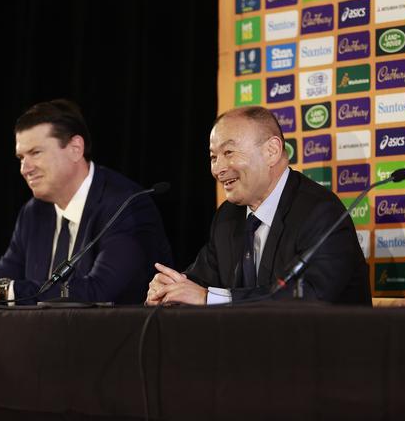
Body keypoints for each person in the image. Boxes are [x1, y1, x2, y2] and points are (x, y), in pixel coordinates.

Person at [0, 99, 172, 305]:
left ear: (75, 149)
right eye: (21, 158)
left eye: (35, 153)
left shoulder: (124, 205)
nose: (25, 169)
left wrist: (1, 292)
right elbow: (2, 276)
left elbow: (99, 292)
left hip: (118, 345)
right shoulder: (33, 213)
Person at [146, 106, 371, 306]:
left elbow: (310, 297)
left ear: (271, 151)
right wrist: (170, 289)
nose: (218, 169)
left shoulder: (320, 212)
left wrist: (208, 298)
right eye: (214, 157)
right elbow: (200, 279)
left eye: (228, 152)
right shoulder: (227, 217)